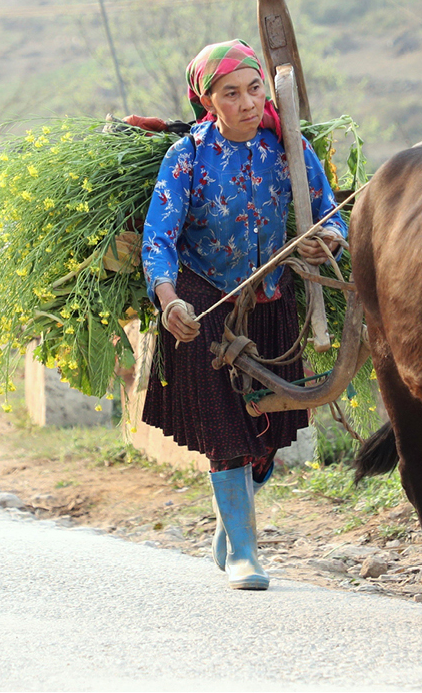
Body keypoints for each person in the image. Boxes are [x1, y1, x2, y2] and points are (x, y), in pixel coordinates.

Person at [140, 40, 343, 590]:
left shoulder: (290, 150)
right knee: (226, 433)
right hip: (203, 304)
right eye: (231, 93)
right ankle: (246, 554)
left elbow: (330, 214)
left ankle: (233, 525)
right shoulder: (186, 157)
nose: (248, 102)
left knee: (271, 433)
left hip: (273, 302)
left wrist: (326, 240)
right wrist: (169, 300)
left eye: (255, 89)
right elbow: (158, 239)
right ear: (209, 103)